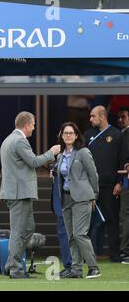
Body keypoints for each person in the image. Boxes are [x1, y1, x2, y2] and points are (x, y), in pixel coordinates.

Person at [0, 111, 60, 279]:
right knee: (19, 232)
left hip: (17, 193)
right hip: (19, 194)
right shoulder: (19, 141)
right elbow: (33, 162)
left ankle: (11, 265)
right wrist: (51, 152)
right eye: (33, 125)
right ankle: (16, 270)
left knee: (28, 228)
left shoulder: (8, 139)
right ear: (26, 125)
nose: (34, 128)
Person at [55, 122, 101, 279]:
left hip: (82, 198)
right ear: (61, 136)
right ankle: (76, 269)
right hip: (66, 198)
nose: (68, 135)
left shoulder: (83, 152)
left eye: (71, 133)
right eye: (65, 133)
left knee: (80, 234)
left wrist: (94, 195)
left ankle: (94, 267)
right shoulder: (60, 155)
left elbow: (93, 175)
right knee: (71, 236)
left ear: (76, 136)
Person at [84, 105, 122, 262]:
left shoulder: (117, 135)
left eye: (93, 116)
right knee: (88, 222)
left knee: (112, 220)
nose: (90, 119)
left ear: (103, 117)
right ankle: (87, 255)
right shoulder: (88, 134)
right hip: (91, 187)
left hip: (110, 185)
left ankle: (115, 254)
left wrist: (120, 182)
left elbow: (122, 159)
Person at [117, 107, 129, 263]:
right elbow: (122, 159)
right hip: (125, 182)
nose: (120, 119)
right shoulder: (121, 134)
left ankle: (125, 251)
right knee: (125, 216)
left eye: (123, 117)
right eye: (118, 117)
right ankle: (125, 252)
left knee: (126, 216)